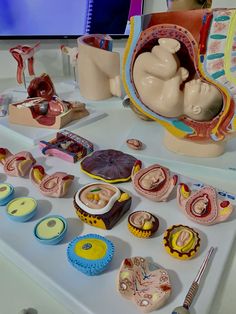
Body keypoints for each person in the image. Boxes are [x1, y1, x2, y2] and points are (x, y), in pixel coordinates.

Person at [133, 38, 223, 122]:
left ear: (195, 109)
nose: (199, 81)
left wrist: (179, 75)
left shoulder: (174, 104)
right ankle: (160, 50)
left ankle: (161, 47)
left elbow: (171, 80)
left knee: (170, 69)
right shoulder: (176, 112)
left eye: (201, 89)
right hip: (152, 69)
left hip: (144, 69)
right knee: (174, 66)